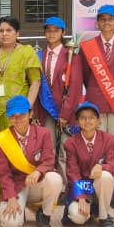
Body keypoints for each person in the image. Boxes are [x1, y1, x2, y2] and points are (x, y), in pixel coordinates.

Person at [68, 4, 114, 210]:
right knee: (95, 150)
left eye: (111, 19)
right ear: (97, 22)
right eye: (103, 19)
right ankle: (95, 190)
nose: (107, 22)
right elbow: (85, 76)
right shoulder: (88, 47)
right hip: (95, 107)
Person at [0, 96, 64, 227]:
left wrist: (38, 171)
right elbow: (3, 174)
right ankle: (20, 208)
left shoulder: (43, 133)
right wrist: (11, 197)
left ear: (30, 114)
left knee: (54, 179)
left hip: (37, 183)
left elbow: (49, 160)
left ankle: (45, 214)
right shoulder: (2, 139)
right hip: (16, 186)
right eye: (13, 116)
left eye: (22, 115)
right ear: (9, 117)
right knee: (11, 225)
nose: (17, 119)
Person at [61, 102, 114, 227]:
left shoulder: (109, 139)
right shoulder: (70, 143)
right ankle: (91, 210)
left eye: (91, 117)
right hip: (81, 186)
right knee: (78, 217)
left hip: (99, 186)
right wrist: (80, 196)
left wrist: (101, 167)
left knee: (106, 176)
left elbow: (112, 165)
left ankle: (103, 217)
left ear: (98, 120)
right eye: (83, 118)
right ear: (77, 121)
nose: (87, 121)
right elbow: (72, 173)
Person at [35, 16, 78, 180]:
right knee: (48, 150)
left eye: (56, 30)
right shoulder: (38, 56)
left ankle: (67, 187)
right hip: (45, 111)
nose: (52, 33)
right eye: (48, 30)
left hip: (66, 112)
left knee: (65, 152)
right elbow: (35, 85)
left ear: (63, 32)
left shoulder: (71, 55)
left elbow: (75, 88)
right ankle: (51, 185)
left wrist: (65, 114)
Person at [0, 16, 41, 134]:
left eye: (9, 30)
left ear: (17, 33)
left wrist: (27, 108)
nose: (4, 34)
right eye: (1, 31)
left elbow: (35, 82)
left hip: (17, 111)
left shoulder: (26, 52)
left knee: (16, 143)